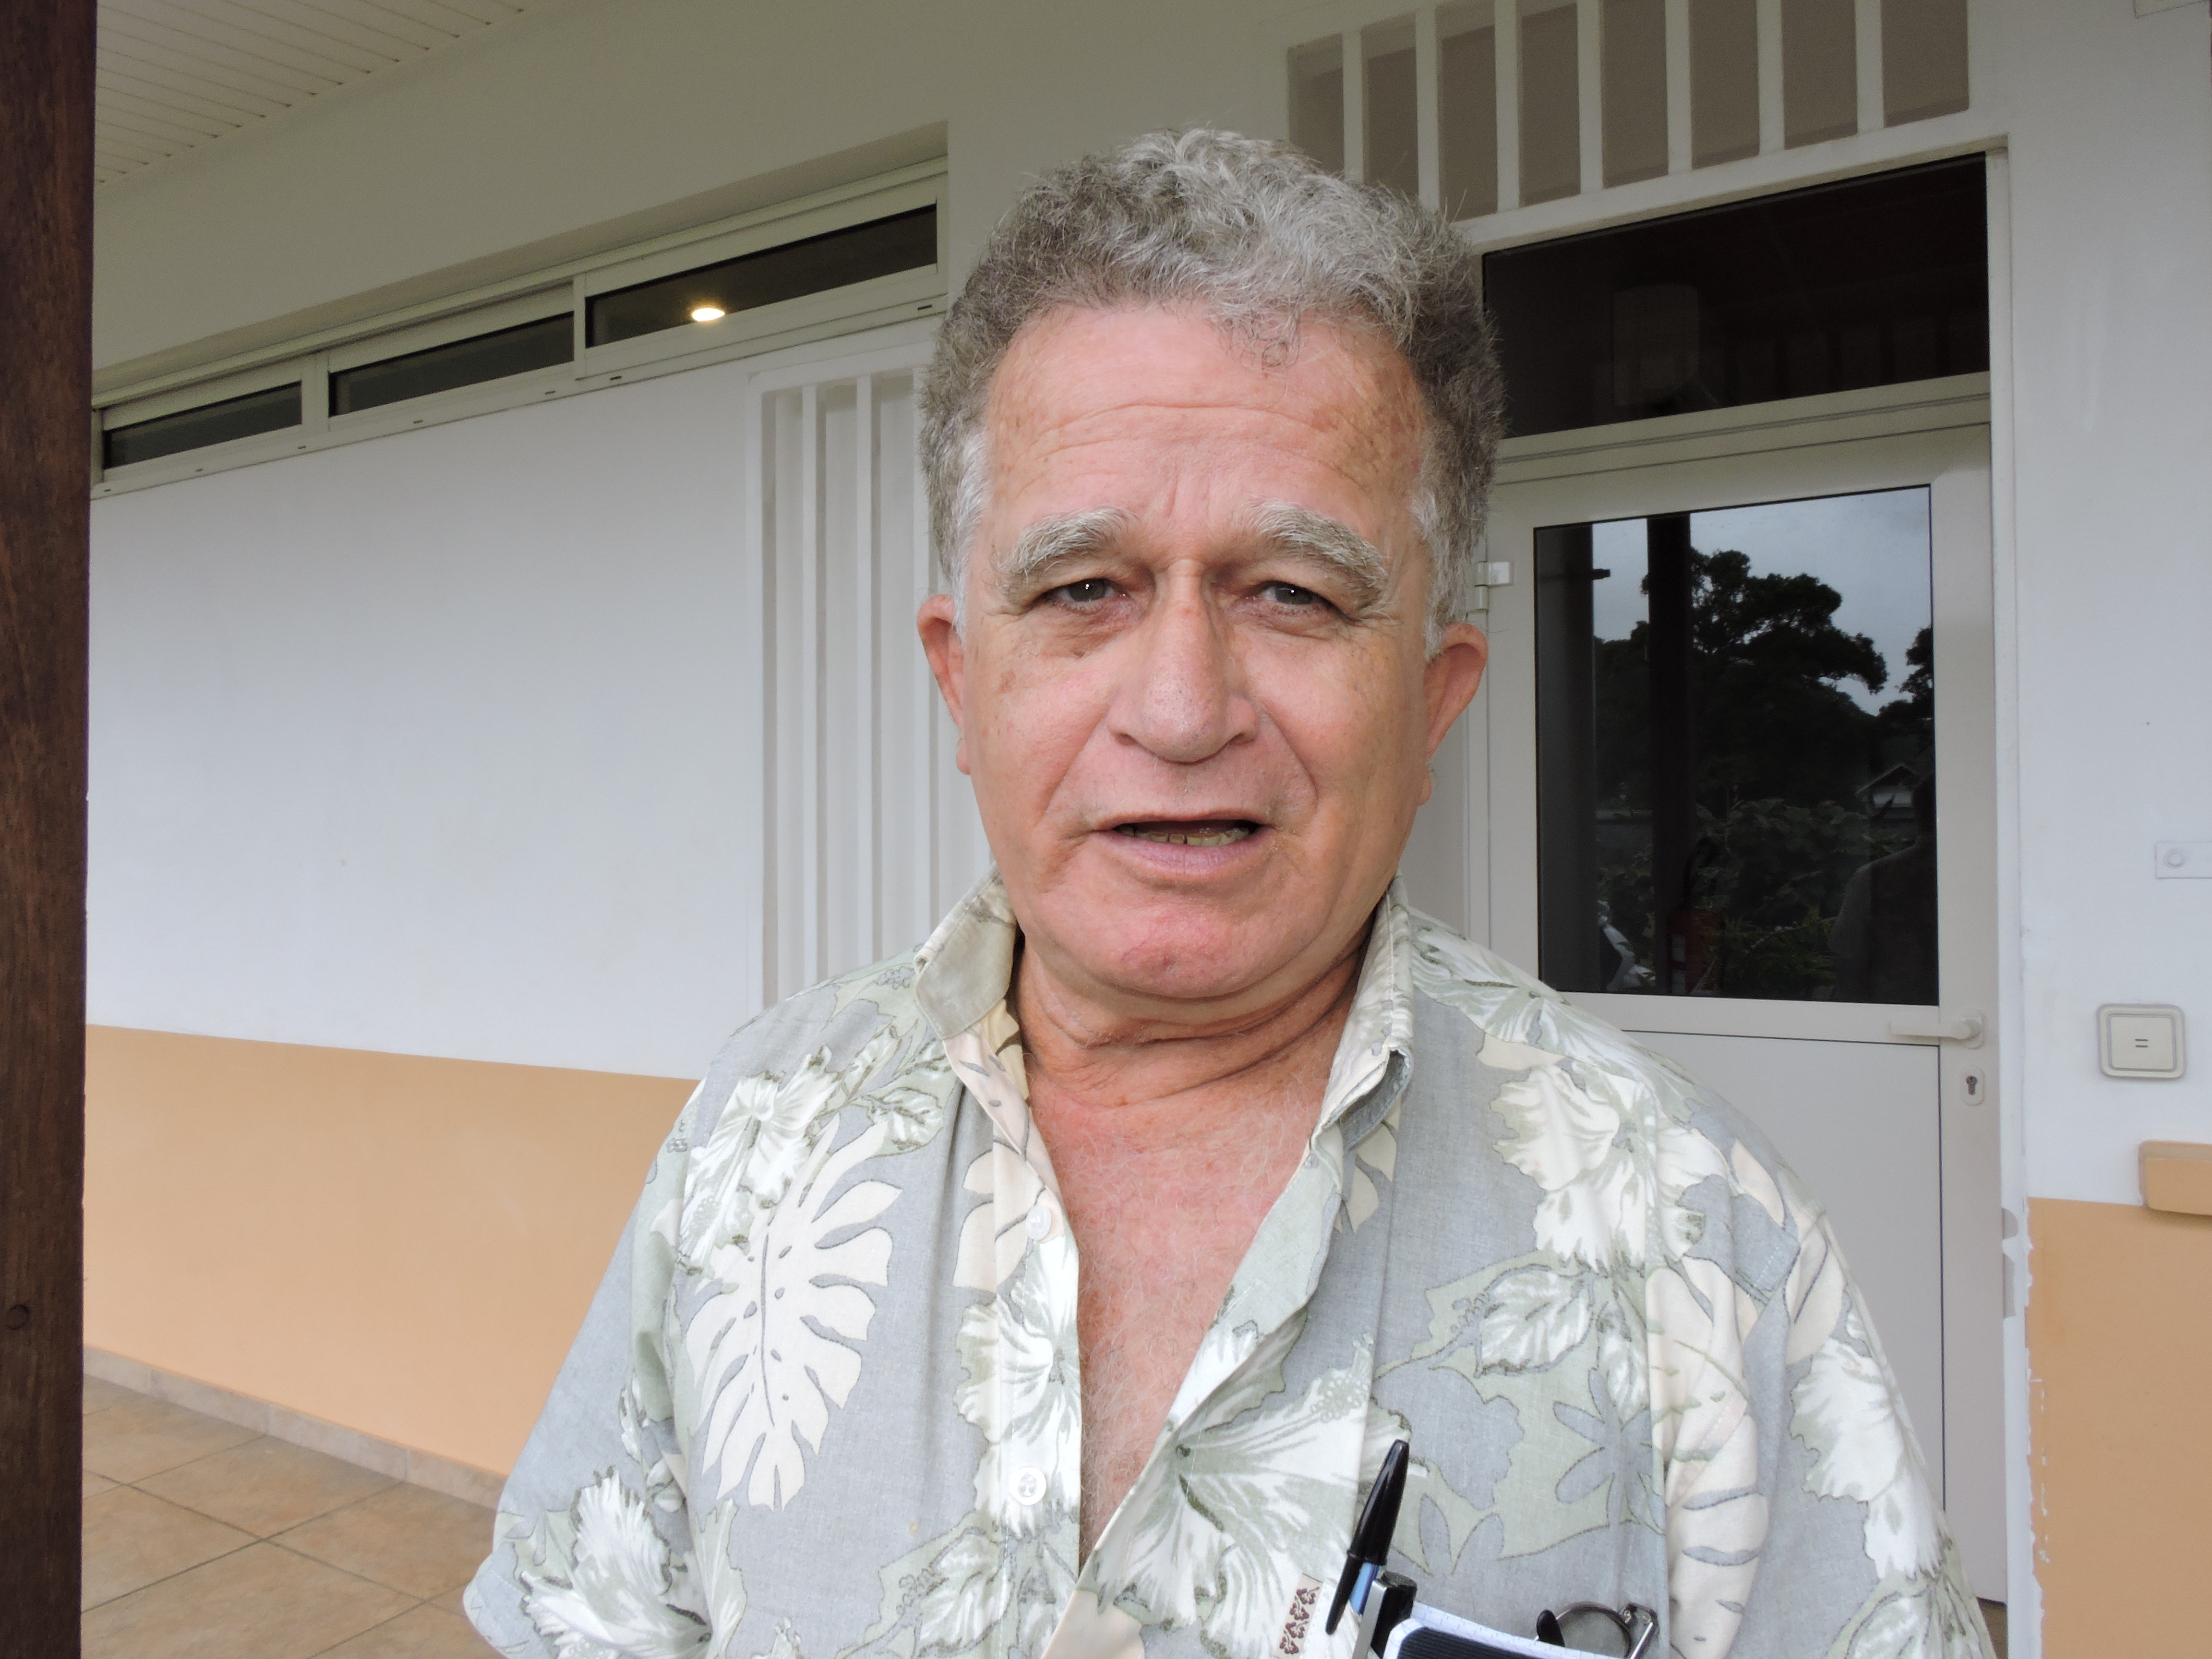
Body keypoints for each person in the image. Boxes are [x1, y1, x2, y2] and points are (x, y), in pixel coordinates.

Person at [464, 131, 1993, 1659]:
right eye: (1084, 589)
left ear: (1436, 700)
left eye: (1293, 594)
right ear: (960, 679)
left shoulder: (1707, 1241)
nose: (1183, 709)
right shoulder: (756, 1134)